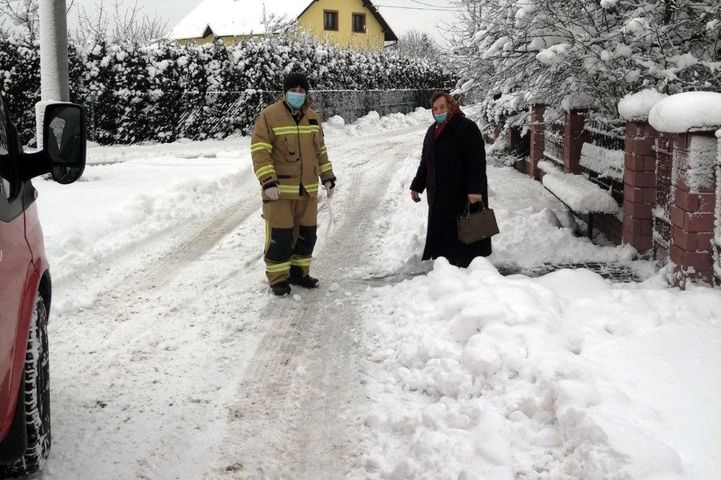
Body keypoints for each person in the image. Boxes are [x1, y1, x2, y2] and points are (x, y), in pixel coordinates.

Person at [250, 72, 337, 296]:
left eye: (301, 90)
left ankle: (300, 272)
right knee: (281, 236)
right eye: (293, 90)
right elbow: (260, 150)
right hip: (279, 193)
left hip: (307, 190)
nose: (298, 94)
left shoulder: (313, 117)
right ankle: (278, 279)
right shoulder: (269, 116)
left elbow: (321, 151)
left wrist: (327, 177)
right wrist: (268, 181)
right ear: (285, 92)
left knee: (307, 235)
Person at [410, 92, 491, 268]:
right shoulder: (432, 131)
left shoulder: (466, 127)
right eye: (435, 109)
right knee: (443, 232)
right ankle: (445, 264)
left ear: (451, 106)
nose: (439, 111)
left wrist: (476, 190)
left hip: (461, 193)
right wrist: (417, 185)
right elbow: (426, 161)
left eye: (442, 107)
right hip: (438, 193)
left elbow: (477, 162)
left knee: (462, 231)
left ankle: (467, 267)